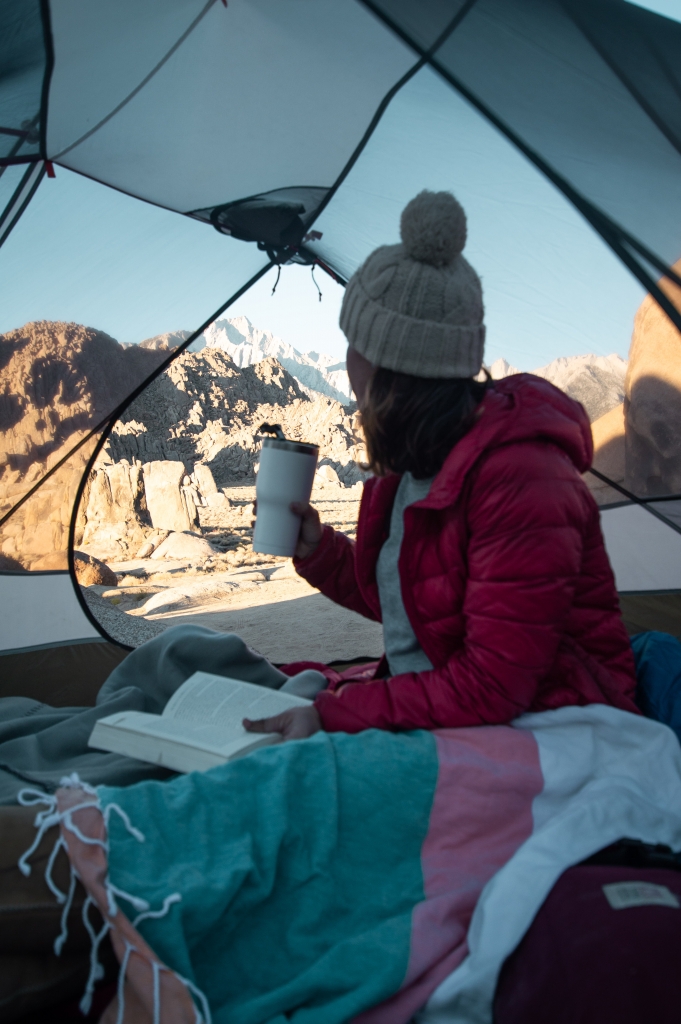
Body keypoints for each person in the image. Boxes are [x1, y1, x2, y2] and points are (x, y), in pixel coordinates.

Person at [245, 190, 638, 741]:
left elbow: (495, 686)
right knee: (193, 662)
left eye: (354, 344)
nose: (347, 363)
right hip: (446, 712)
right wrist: (318, 551)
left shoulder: (524, 478)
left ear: (391, 364)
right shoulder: (412, 464)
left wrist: (337, 714)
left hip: (557, 727)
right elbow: (415, 608)